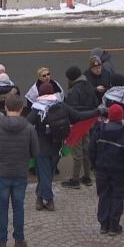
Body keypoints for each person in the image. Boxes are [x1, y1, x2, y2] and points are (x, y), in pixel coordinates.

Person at [27, 81, 99, 211]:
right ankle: (40, 198)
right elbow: (79, 116)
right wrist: (97, 111)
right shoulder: (61, 105)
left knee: (44, 175)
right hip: (57, 147)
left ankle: (48, 200)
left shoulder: (37, 108)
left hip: (41, 148)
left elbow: (26, 124)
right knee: (47, 174)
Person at [0, 94, 40, 247]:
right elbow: (36, 152)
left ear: (5, 108)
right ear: (22, 109)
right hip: (20, 173)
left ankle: (1, 242)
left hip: (1, 173)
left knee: (2, 208)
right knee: (18, 207)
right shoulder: (29, 128)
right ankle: (19, 241)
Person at [89, 104, 124, 236]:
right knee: (117, 197)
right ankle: (113, 225)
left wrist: (95, 165)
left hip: (101, 171)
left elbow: (91, 150)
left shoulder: (99, 132)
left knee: (104, 196)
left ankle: (103, 224)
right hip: (119, 173)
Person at [61, 66, 99, 189]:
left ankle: (75, 179)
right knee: (86, 150)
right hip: (87, 122)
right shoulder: (89, 86)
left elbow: (70, 110)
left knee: (77, 153)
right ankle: (87, 176)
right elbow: (95, 103)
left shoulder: (73, 91)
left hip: (77, 123)